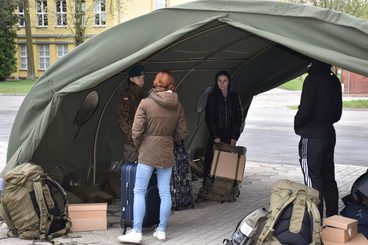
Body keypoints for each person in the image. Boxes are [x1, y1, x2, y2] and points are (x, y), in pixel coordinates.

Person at [118, 70, 188, 244]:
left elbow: (136, 131)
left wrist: (141, 144)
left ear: (156, 83)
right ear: (171, 84)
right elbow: (182, 132)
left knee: (139, 191)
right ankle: (162, 230)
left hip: (147, 153)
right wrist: (168, 140)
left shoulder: (145, 103)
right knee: (165, 192)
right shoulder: (177, 105)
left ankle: (136, 231)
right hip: (166, 153)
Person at [294, 59, 342, 218]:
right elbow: (338, 114)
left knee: (313, 181)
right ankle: (333, 220)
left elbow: (305, 111)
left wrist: (297, 124)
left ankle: (316, 223)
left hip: (312, 136)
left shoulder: (311, 80)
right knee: (328, 178)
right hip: (329, 133)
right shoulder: (334, 80)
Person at [203, 70, 243, 185]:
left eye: (225, 81)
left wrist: (235, 136)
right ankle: (208, 184)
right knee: (211, 159)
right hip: (216, 134)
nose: (222, 83)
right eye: (219, 81)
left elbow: (239, 117)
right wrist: (215, 136)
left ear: (229, 82)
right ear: (216, 82)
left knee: (228, 160)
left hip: (230, 135)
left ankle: (227, 186)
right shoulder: (212, 97)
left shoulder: (235, 97)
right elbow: (209, 117)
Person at [118, 64, 146, 163]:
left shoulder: (142, 94)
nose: (141, 80)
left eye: (143, 78)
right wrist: (131, 135)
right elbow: (123, 119)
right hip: (132, 138)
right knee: (133, 164)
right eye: (138, 78)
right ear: (131, 79)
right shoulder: (127, 95)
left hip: (142, 135)